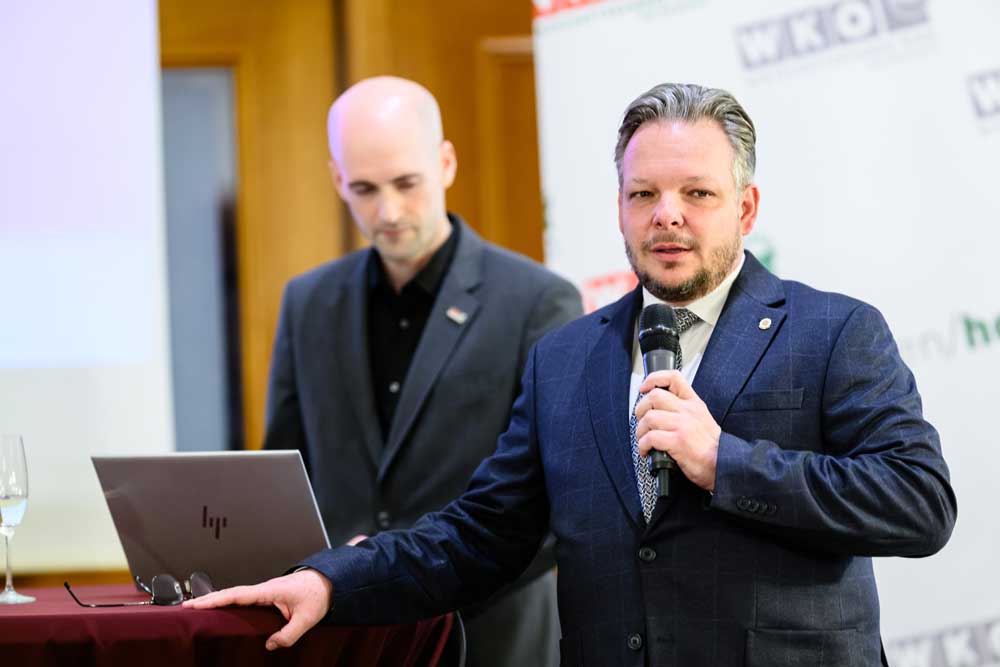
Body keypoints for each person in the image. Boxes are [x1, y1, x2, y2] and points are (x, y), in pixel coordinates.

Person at [188, 82, 957, 667]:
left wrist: (726, 460)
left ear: (746, 207)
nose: (667, 215)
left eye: (696, 193)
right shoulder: (567, 358)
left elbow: (919, 504)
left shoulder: (835, 330)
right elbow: (479, 536)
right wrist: (332, 580)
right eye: (644, 193)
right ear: (619, 208)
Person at [257, 76, 581, 666]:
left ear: (446, 163)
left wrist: (409, 576)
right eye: (364, 188)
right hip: (342, 638)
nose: (388, 211)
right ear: (337, 181)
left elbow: (557, 503)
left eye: (407, 183)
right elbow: (286, 475)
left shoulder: (538, 301)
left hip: (490, 635)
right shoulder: (308, 302)